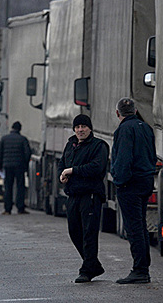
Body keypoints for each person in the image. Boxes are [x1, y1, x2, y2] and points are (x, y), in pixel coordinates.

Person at [57, 114, 109, 283]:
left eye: (84, 127)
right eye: (77, 127)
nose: (80, 130)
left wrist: (72, 171)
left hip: (90, 195)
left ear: (90, 128)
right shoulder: (70, 145)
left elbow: (97, 167)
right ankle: (93, 265)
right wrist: (61, 175)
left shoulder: (99, 146)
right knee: (74, 232)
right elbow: (62, 164)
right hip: (73, 195)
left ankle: (87, 270)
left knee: (89, 233)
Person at [111, 97, 157, 284]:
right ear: (136, 111)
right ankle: (143, 267)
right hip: (145, 181)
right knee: (141, 226)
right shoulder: (146, 128)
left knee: (134, 228)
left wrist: (119, 182)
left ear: (118, 113)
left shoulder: (123, 130)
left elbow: (123, 159)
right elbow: (152, 154)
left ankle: (140, 270)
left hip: (130, 184)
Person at [0, 121, 31, 215]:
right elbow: (27, 153)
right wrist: (25, 164)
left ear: (12, 128)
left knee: (8, 187)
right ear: (20, 129)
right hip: (19, 166)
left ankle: (7, 209)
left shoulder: (4, 139)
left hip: (7, 166)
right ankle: (20, 208)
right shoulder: (23, 139)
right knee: (20, 187)